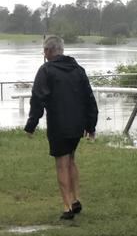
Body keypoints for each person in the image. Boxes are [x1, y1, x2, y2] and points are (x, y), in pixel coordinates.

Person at [24, 35, 98, 220]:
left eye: (44, 50)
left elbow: (38, 98)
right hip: (77, 125)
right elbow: (89, 98)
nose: (44, 53)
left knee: (62, 164)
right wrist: (91, 125)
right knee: (71, 159)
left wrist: (31, 124)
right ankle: (76, 199)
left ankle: (67, 208)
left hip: (58, 125)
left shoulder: (46, 70)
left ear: (49, 51)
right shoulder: (78, 70)